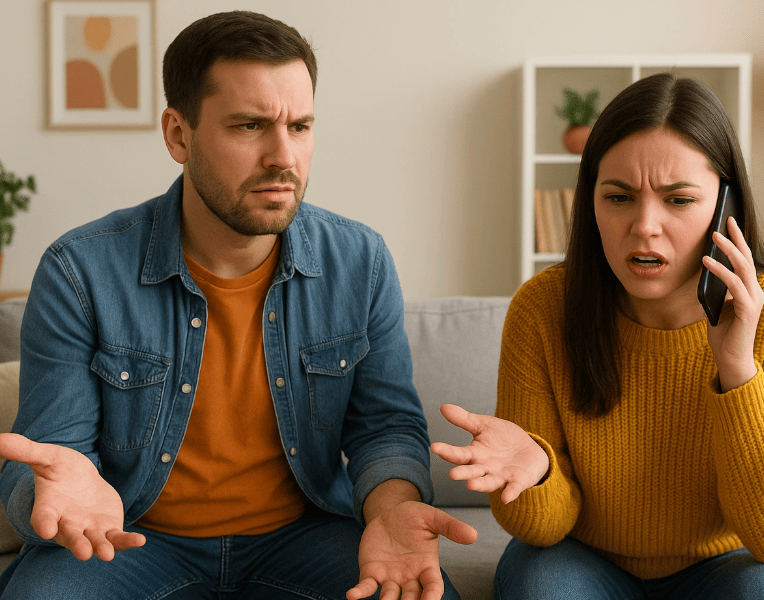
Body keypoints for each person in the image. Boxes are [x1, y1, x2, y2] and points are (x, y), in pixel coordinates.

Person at [0, 11, 476, 600]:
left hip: (301, 536)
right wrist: (52, 494)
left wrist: (392, 509)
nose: (284, 157)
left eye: (299, 126)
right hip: (132, 539)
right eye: (250, 126)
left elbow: (385, 427)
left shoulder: (361, 260)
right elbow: (49, 454)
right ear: (178, 134)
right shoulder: (81, 270)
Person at [432, 73, 764, 599]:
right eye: (618, 198)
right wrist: (537, 474)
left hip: (727, 560)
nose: (645, 225)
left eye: (679, 200)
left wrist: (738, 372)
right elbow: (541, 527)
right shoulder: (543, 308)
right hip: (583, 555)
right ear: (590, 201)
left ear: (726, 205)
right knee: (543, 587)